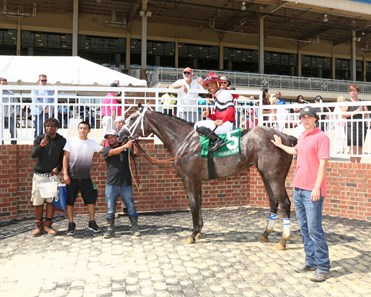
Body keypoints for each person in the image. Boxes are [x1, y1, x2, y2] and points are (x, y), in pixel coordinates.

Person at [271, 106, 330, 282]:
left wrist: (317, 187)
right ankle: (310, 260)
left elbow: (323, 164)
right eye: (303, 117)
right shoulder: (303, 136)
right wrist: (280, 145)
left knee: (314, 229)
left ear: (315, 119)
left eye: (309, 117)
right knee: (304, 228)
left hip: (312, 190)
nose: (306, 120)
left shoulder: (322, 137)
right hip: (298, 189)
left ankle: (323, 266)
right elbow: (295, 151)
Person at [62, 121, 103, 236]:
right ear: (78, 129)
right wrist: (65, 174)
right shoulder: (70, 141)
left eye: (85, 128)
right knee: (70, 202)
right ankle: (71, 224)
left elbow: (104, 150)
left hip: (86, 178)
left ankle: (92, 222)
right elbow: (65, 158)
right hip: (72, 178)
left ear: (89, 130)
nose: (82, 130)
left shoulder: (92, 143)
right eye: (80, 128)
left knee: (91, 201)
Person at [30, 118, 66, 236]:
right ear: (45, 127)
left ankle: (48, 225)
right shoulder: (39, 138)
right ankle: (39, 227)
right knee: (38, 202)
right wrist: (40, 146)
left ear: (57, 127)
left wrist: (58, 168)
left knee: (50, 202)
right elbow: (33, 155)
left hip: (52, 176)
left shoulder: (62, 140)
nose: (50, 128)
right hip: (39, 176)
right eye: (48, 126)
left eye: (53, 126)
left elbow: (63, 158)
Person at [103, 130, 141, 238]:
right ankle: (110, 229)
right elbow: (113, 152)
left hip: (126, 184)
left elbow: (136, 154)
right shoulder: (107, 149)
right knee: (110, 208)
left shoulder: (126, 148)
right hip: (111, 184)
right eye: (108, 138)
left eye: (112, 137)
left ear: (117, 137)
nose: (110, 139)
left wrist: (133, 143)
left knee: (130, 207)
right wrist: (126, 145)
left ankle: (134, 228)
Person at [194, 72, 235, 151]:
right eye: (208, 85)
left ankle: (218, 140)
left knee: (198, 125)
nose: (210, 87)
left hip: (227, 125)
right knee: (198, 124)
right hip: (223, 123)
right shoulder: (217, 96)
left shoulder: (224, 93)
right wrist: (209, 115)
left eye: (212, 84)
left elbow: (231, 110)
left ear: (218, 84)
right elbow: (218, 116)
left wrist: (222, 121)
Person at [342, 83, 368, 163]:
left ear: (357, 92)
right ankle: (352, 166)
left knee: (360, 147)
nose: (352, 92)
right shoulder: (347, 102)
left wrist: (363, 110)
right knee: (352, 147)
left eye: (354, 90)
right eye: (351, 91)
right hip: (351, 126)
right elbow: (343, 115)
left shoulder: (362, 102)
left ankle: (358, 166)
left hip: (361, 126)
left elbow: (367, 114)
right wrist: (354, 112)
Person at [0, 77, 19, 144]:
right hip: (0, 116)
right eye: (3, 84)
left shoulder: (10, 93)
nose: (4, 85)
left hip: (10, 115)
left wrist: (15, 112)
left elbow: (17, 104)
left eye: (5, 84)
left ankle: (13, 146)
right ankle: (1, 145)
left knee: (14, 131)